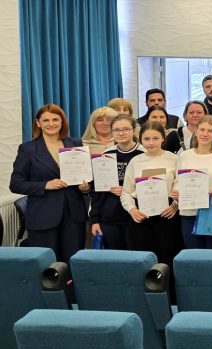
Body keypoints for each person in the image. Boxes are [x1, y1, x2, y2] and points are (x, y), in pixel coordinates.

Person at [10, 104, 90, 261]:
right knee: (46, 264)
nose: (51, 123)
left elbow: (85, 177)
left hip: (73, 216)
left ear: (62, 122)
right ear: (38, 123)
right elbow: (16, 184)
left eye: (55, 119)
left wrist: (85, 187)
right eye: (45, 120)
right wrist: (45, 185)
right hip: (43, 216)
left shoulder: (76, 143)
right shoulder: (28, 149)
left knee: (73, 262)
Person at [121, 121, 181, 270]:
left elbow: (180, 185)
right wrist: (132, 210)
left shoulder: (174, 159)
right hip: (142, 216)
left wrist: (175, 205)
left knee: (167, 256)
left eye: (155, 138)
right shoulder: (135, 161)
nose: (151, 142)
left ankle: (168, 285)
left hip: (167, 214)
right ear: (140, 139)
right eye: (146, 139)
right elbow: (126, 192)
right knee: (143, 258)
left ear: (163, 138)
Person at [173, 116, 212, 250]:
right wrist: (176, 193)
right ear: (196, 131)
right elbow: (178, 181)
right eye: (202, 130)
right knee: (194, 256)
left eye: (210, 131)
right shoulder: (184, 156)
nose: (205, 134)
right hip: (189, 214)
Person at [89, 114, 144, 250]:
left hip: (136, 216)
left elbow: (151, 187)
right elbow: (97, 191)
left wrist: (128, 192)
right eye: (117, 130)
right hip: (109, 218)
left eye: (125, 129)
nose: (121, 133)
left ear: (134, 130)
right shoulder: (106, 155)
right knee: (113, 259)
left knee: (135, 257)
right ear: (112, 132)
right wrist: (94, 220)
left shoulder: (144, 154)